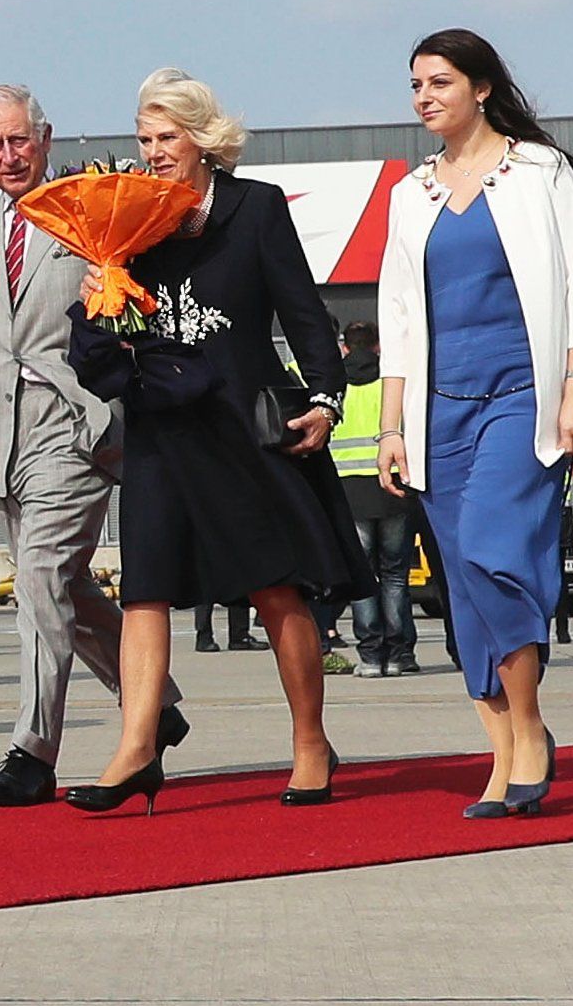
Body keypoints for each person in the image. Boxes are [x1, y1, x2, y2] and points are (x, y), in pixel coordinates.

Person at [64, 69, 356, 814]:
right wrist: (103, 282)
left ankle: (310, 743)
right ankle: (135, 750)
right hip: (161, 425)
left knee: (274, 587)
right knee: (145, 591)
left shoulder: (255, 208)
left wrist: (326, 395)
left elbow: (302, 309)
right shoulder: (132, 217)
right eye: (144, 138)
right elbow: (111, 328)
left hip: (240, 421)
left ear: (203, 139)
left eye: (168, 137)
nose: (155, 151)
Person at [0, 84, 185, 805]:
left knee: (42, 582)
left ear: (46, 140)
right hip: (6, 439)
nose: (9, 155)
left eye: (20, 140)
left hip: (78, 426)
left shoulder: (90, 212)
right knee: (67, 586)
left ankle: (31, 750)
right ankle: (155, 704)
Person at [376, 29, 573, 819]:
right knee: (465, 581)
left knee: (499, 551)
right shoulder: (411, 194)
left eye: (439, 82)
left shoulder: (541, 173)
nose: (424, 97)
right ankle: (502, 756)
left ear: (482, 88)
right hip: (438, 414)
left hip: (523, 401)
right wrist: (392, 426)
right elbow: (395, 315)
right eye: (415, 85)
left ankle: (529, 731)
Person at [333, 320, 419, 677]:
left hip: (350, 493)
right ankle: (400, 654)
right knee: (396, 577)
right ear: (379, 346)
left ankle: (370, 656)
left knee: (363, 576)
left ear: (347, 347)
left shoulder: (336, 381)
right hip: (393, 488)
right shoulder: (392, 381)